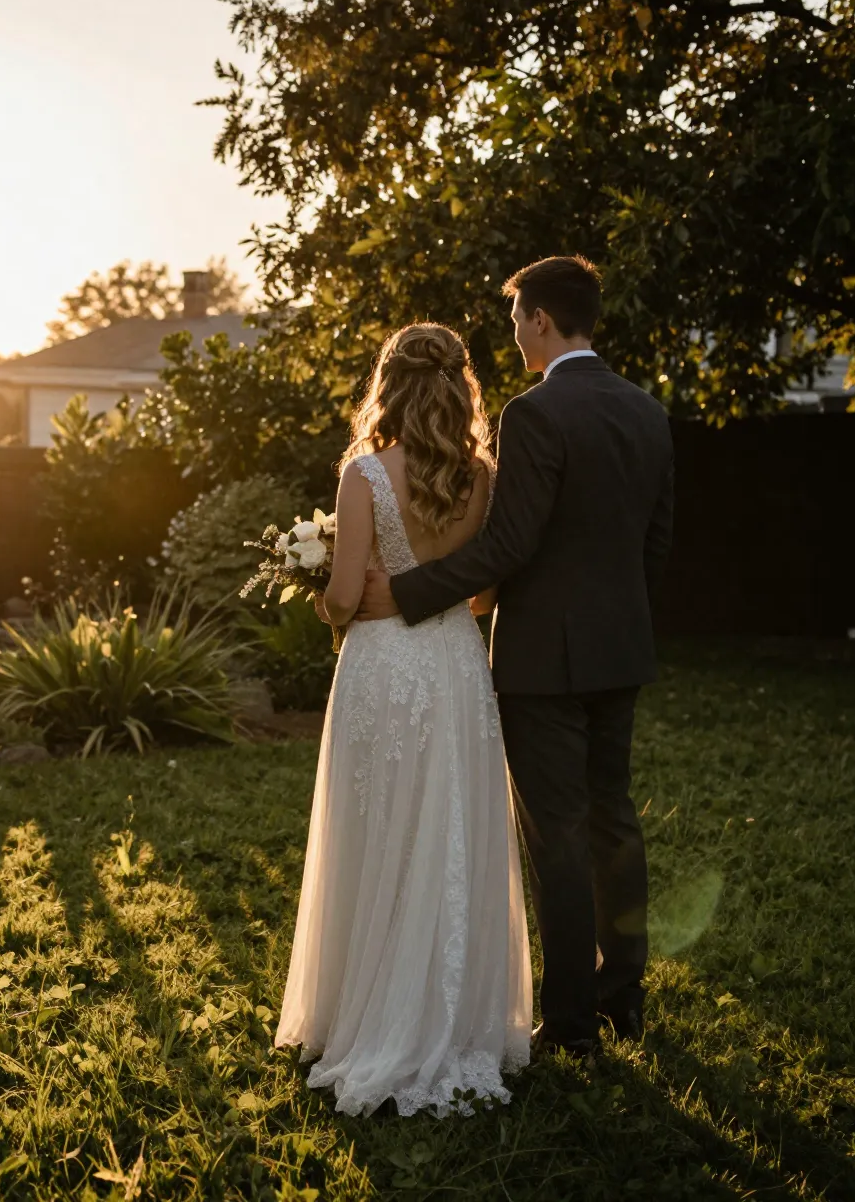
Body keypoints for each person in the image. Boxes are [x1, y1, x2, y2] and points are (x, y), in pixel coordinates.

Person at [355, 256, 675, 1056]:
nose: (515, 336)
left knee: (558, 834)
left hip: (542, 664)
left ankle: (570, 1023)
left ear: (538, 319)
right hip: (622, 650)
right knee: (615, 819)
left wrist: (411, 591)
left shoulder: (533, 414)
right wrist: (623, 619)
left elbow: (509, 542)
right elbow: (656, 543)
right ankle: (622, 998)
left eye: (515, 321)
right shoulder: (647, 412)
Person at [275, 322, 533, 1117]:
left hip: (384, 666)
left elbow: (348, 600)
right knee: (450, 822)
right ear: (460, 388)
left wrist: (317, 581)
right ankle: (458, 1017)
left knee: (379, 824)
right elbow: (481, 590)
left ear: (386, 384)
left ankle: (370, 1012)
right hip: (455, 662)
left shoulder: (362, 474)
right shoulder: (480, 475)